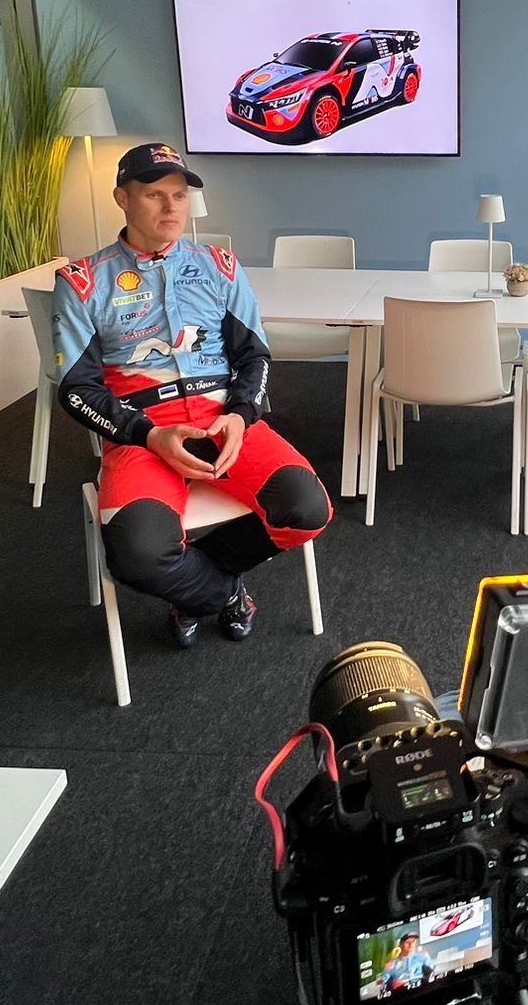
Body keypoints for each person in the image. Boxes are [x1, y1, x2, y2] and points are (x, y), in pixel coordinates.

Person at [51, 142, 331, 647]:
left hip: (223, 420)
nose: (171, 207)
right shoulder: (83, 282)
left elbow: (255, 357)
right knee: (137, 556)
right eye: (154, 194)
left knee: (307, 508)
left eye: (179, 195)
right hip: (142, 433)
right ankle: (222, 593)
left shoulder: (220, 266)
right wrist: (147, 434)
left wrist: (241, 415)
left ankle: (195, 585)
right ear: (122, 198)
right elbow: (77, 390)